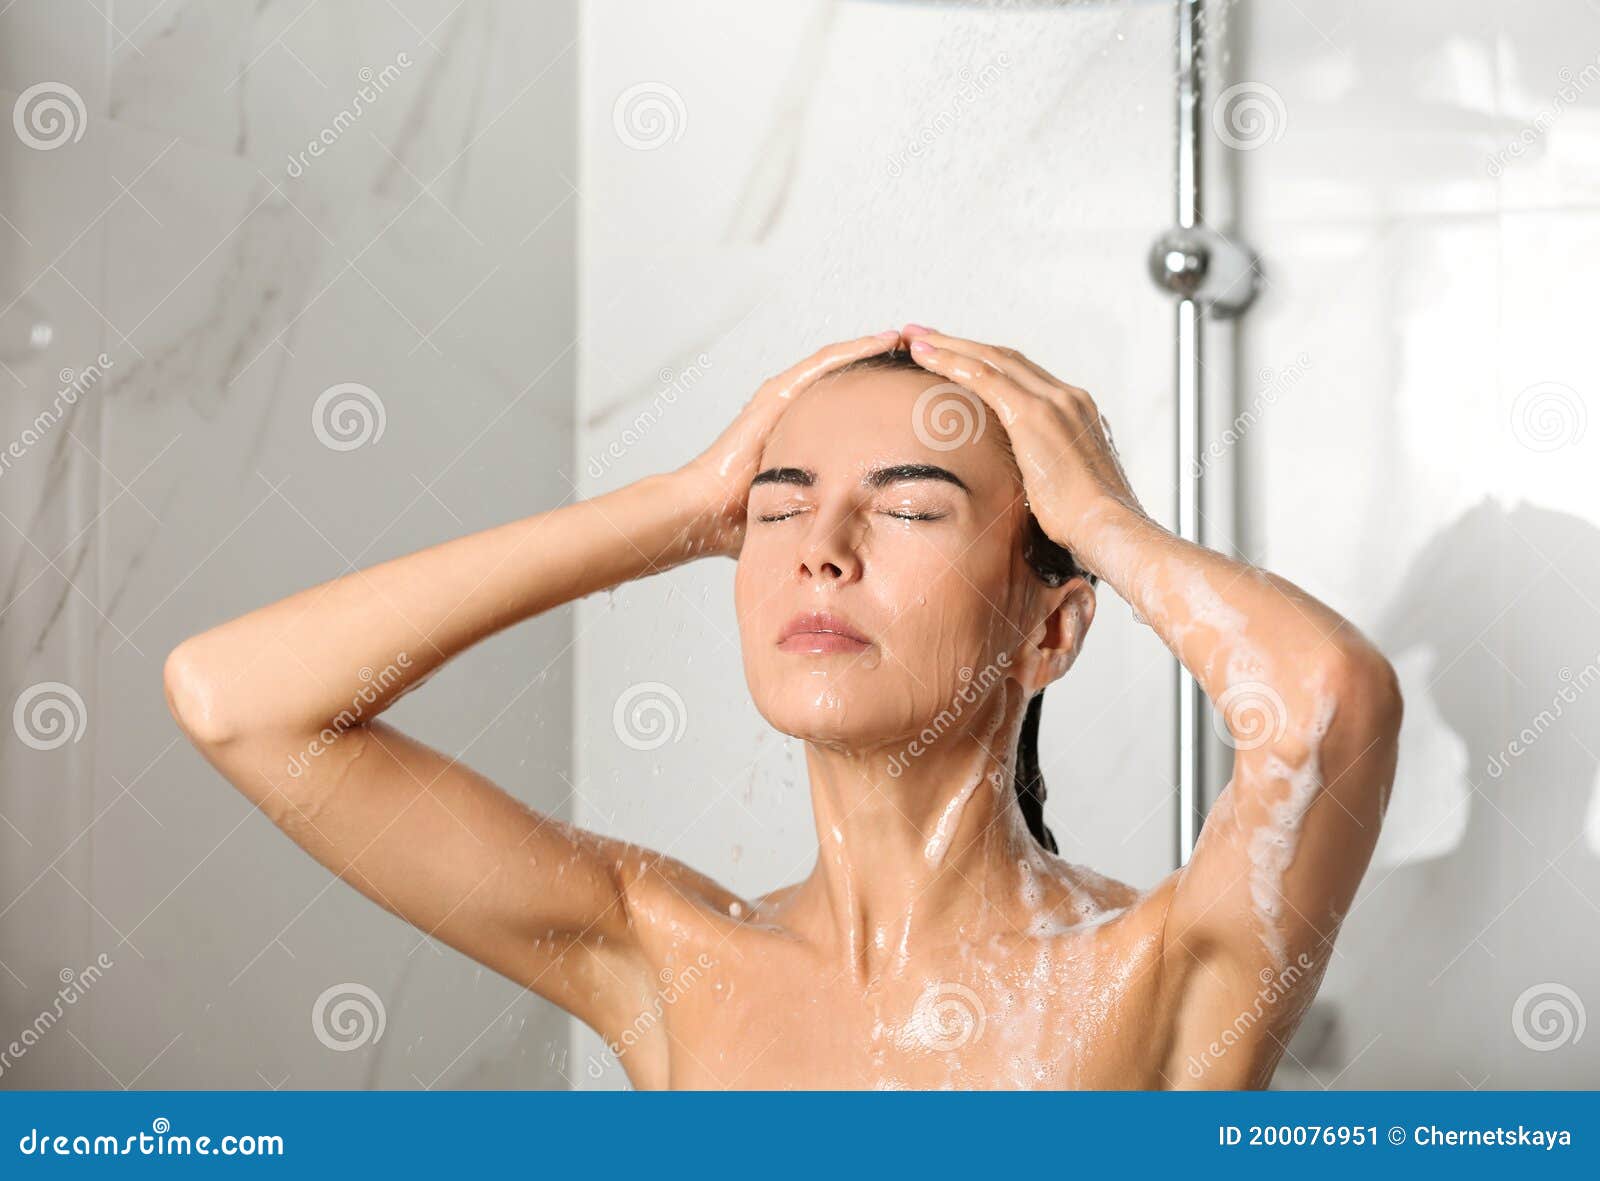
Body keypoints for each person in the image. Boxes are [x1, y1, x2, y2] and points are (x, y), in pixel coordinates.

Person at [164, 326, 1402, 1089]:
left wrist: (1103, 524)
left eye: (910, 508)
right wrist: (671, 505)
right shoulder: (665, 953)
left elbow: (1328, 710)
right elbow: (239, 700)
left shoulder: (1159, 971)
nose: (822, 548)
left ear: (1051, 628)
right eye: (775, 509)